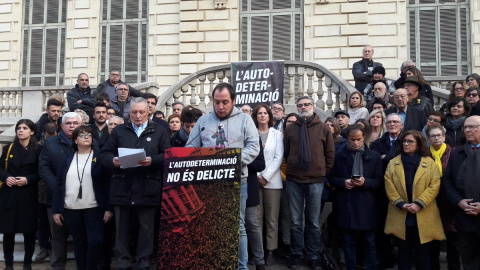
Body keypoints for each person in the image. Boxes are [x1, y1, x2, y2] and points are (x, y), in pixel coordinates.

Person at [186, 83, 260, 270]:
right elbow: (189, 148)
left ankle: (241, 267)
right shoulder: (203, 122)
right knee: (210, 226)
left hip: (237, 181)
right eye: (217, 102)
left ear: (234, 101)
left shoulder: (245, 119)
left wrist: (230, 161)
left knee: (238, 227)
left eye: (225, 102)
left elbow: (254, 147)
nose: (220, 106)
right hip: (209, 182)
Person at [101, 97, 170, 270]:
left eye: (141, 112)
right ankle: (123, 263)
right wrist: (113, 161)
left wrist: (152, 160)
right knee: (122, 230)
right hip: (122, 187)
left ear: (149, 112)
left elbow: (168, 156)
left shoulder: (160, 131)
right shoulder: (119, 131)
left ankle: (143, 263)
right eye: (134, 112)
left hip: (148, 187)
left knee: (147, 231)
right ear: (128, 113)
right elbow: (104, 155)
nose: (138, 116)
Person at [283, 96, 335, 270]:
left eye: (306, 105)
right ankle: (296, 253)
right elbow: (286, 152)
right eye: (300, 105)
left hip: (315, 181)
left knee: (312, 222)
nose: (303, 107)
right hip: (294, 180)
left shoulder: (323, 129)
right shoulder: (291, 129)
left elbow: (330, 154)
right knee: (296, 221)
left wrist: (321, 171)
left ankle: (313, 256)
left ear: (313, 107)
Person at [51, 125, 112, 270]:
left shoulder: (99, 157)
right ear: (75, 140)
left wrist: (108, 208)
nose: (86, 137)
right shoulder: (67, 158)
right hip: (71, 208)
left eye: (89, 135)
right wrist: (56, 210)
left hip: (94, 207)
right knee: (79, 242)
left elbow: (107, 184)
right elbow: (59, 184)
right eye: (82, 135)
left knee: (96, 240)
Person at [384, 130, 445, 270]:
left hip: (424, 213)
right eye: (404, 141)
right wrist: (400, 203)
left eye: (410, 141)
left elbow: (435, 185)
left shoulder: (429, 163)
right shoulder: (394, 162)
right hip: (401, 213)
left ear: (418, 144)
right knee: (403, 252)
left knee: (423, 253)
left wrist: (419, 203)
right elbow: (389, 184)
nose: (406, 144)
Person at [329, 124, 382, 270]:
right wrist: (343, 182)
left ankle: (370, 266)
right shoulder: (339, 156)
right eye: (352, 140)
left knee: (369, 241)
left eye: (358, 139)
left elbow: (379, 181)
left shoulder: (374, 156)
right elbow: (331, 178)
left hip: (367, 203)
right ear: (347, 139)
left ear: (364, 138)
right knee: (348, 241)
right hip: (346, 203)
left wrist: (365, 182)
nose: (355, 143)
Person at [39, 112, 82, 270]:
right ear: (61, 126)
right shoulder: (50, 144)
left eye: (75, 123)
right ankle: (58, 265)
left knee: (81, 236)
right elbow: (43, 169)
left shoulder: (89, 142)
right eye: (68, 123)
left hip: (82, 199)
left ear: (80, 125)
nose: (72, 126)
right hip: (56, 198)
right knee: (57, 236)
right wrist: (59, 188)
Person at [0, 119, 42, 270]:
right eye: (19, 128)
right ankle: (9, 265)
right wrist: (6, 177)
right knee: (8, 231)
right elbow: (0, 168)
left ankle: (27, 264)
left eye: (25, 128)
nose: (20, 130)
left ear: (32, 131)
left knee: (28, 231)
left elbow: (41, 172)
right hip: (9, 194)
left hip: (28, 194)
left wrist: (27, 179)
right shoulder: (8, 148)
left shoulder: (38, 149)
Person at [443, 116, 480, 270]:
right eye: (465, 127)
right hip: (463, 216)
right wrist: (459, 201)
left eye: (472, 127)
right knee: (468, 259)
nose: (467, 130)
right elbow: (447, 181)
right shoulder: (456, 153)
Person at [252, 104, 284, 266]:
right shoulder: (250, 133)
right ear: (255, 116)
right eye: (259, 113)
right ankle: (258, 251)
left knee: (272, 219)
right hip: (254, 180)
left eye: (265, 113)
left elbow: (278, 157)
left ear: (270, 116)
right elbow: (249, 156)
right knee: (256, 219)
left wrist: (265, 176)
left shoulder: (277, 134)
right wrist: (258, 176)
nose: (262, 116)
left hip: (273, 181)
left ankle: (271, 250)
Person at [426, 124, 459, 270]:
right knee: (433, 236)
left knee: (452, 237)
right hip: (432, 201)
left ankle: (453, 266)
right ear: (428, 139)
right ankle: (434, 266)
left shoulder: (454, 153)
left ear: (444, 137)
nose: (436, 138)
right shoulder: (425, 154)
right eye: (433, 136)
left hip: (450, 200)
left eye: (439, 135)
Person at [35, 123, 57, 263]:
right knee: (42, 221)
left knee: (54, 223)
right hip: (40, 190)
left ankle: (54, 249)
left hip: (54, 188)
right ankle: (44, 247)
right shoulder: (37, 147)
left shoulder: (58, 145)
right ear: (44, 134)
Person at [246, 139, 266, 270]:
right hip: (225, 186)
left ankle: (259, 261)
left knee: (251, 223)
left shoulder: (253, 137)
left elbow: (260, 165)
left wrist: (239, 157)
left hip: (248, 186)